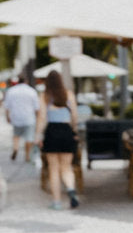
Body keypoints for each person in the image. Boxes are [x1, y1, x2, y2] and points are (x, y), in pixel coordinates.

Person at [37, 70, 80, 210]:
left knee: (53, 169)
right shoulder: (69, 94)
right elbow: (74, 116)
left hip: (51, 133)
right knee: (67, 167)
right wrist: (74, 131)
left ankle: (56, 202)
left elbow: (42, 118)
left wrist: (38, 136)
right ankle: (71, 190)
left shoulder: (44, 96)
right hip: (66, 131)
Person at [4, 74, 40, 162]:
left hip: (16, 117)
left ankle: (16, 148)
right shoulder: (32, 91)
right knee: (29, 137)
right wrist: (38, 117)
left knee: (16, 135)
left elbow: (7, 106)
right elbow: (36, 107)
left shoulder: (11, 91)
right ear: (26, 81)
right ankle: (27, 155)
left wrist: (8, 117)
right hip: (29, 117)